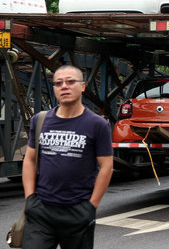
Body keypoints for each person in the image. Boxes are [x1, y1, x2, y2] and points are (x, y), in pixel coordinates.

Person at [22, 64, 113, 249]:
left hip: (78, 210)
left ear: (83, 86)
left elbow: (106, 167)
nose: (64, 86)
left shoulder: (97, 124)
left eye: (71, 82)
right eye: (58, 83)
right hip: (41, 210)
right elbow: (30, 159)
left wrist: (91, 206)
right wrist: (30, 198)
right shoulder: (39, 120)